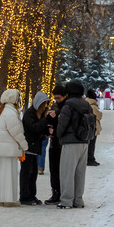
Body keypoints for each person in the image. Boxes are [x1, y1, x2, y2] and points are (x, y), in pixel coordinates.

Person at [56, 81, 94, 209]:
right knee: (80, 172)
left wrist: (59, 135)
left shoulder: (68, 105)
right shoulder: (86, 104)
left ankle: (66, 200)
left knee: (67, 172)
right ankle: (78, 200)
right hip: (84, 141)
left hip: (70, 141)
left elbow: (62, 123)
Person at [0, 89, 28, 207]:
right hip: (9, 148)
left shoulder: (4, 111)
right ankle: (9, 199)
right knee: (10, 174)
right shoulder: (11, 113)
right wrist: (24, 145)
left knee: (4, 173)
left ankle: (3, 197)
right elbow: (16, 132)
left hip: (4, 148)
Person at [20, 91, 50, 205]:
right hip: (28, 148)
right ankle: (25, 196)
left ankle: (32, 195)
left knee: (33, 173)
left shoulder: (39, 115)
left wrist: (47, 131)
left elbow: (41, 129)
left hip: (34, 148)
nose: (45, 107)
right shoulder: (29, 114)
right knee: (26, 173)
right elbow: (34, 128)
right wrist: (46, 120)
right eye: (44, 105)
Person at [44, 85, 67, 205]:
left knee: (62, 170)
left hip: (62, 143)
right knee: (54, 170)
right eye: (55, 98)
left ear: (65, 96)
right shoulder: (54, 106)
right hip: (54, 143)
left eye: (59, 98)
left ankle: (62, 192)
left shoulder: (67, 107)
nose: (56, 100)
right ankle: (55, 192)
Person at [85, 88, 103, 166]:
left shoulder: (86, 103)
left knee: (89, 144)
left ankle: (89, 158)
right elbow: (98, 116)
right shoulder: (93, 106)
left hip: (87, 127)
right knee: (92, 144)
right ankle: (90, 159)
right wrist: (101, 113)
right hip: (93, 127)